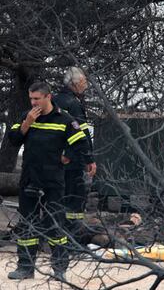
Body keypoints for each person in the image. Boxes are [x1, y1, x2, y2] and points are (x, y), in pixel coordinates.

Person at [7, 82, 93, 280]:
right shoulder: (26, 116)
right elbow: (13, 140)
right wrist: (27, 123)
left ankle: (60, 269)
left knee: (55, 225)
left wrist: (67, 156)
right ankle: (25, 268)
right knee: (27, 223)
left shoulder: (64, 119)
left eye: (37, 98)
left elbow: (81, 144)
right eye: (31, 99)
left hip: (53, 180)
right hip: (29, 178)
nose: (33, 102)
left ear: (48, 97)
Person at [53, 67, 96, 243]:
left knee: (56, 198)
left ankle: (54, 236)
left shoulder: (53, 101)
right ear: (76, 83)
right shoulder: (74, 104)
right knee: (75, 200)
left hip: (54, 160)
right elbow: (82, 135)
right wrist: (89, 159)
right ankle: (73, 240)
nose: (86, 85)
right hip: (74, 160)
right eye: (84, 82)